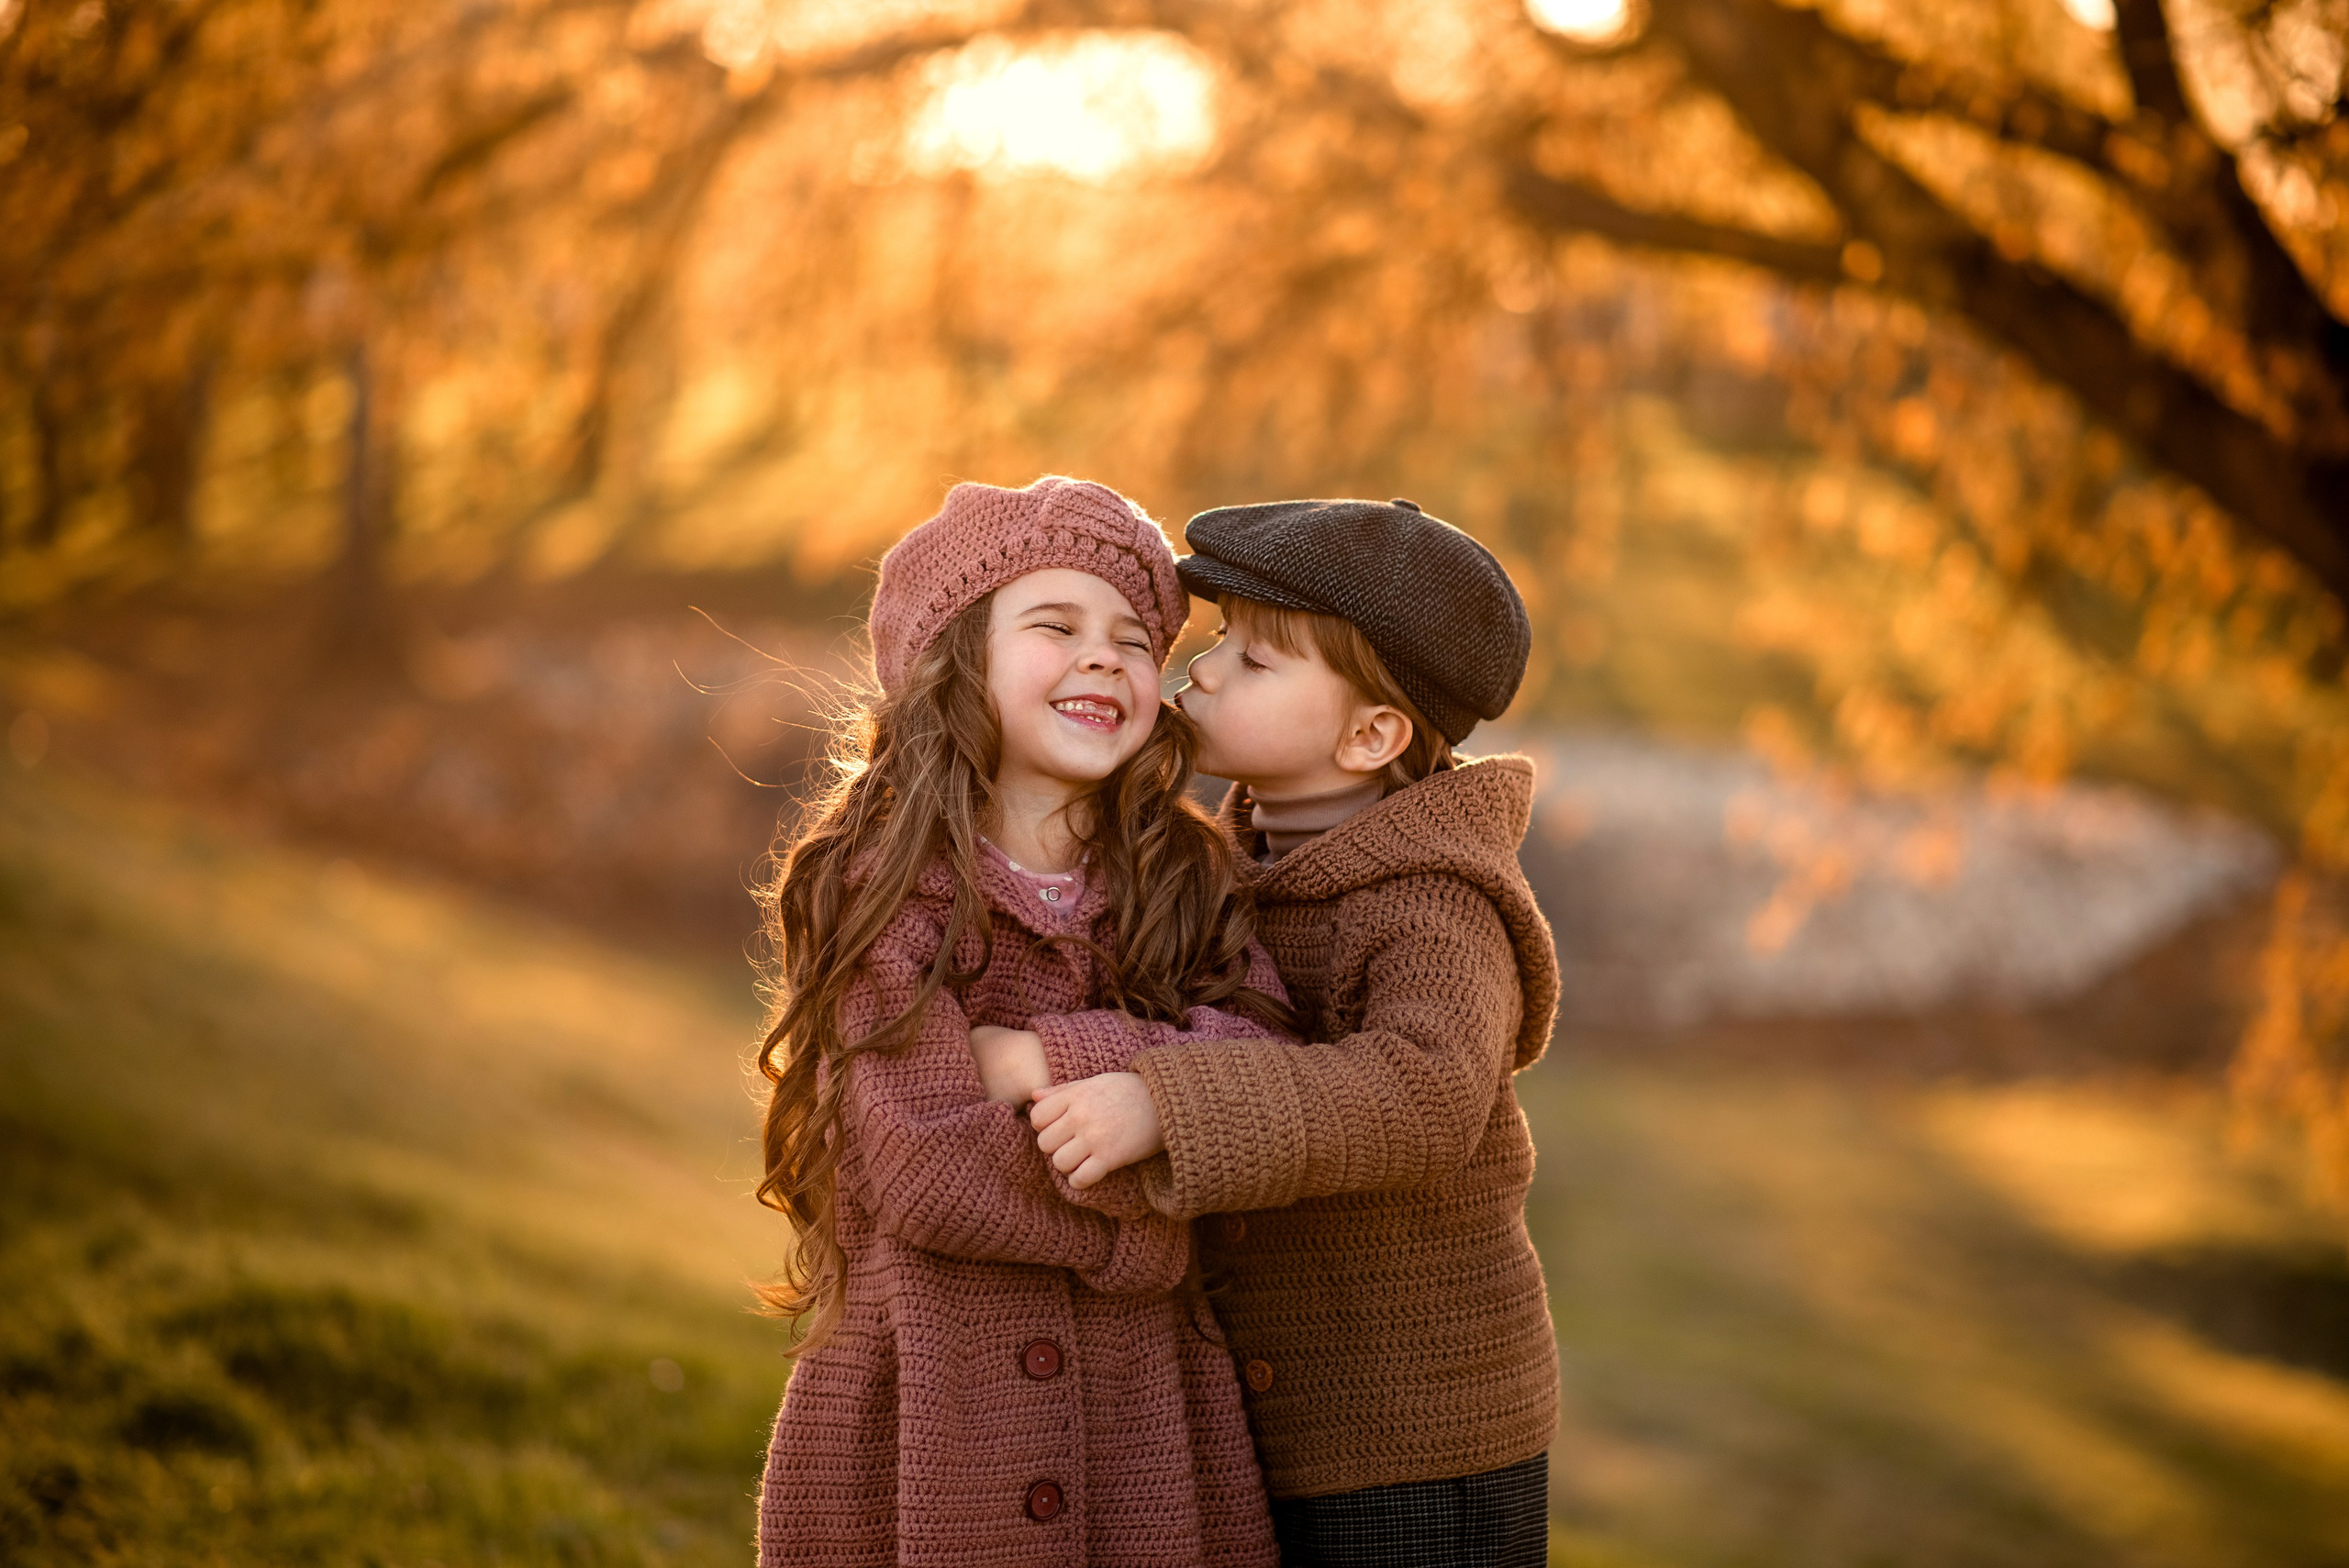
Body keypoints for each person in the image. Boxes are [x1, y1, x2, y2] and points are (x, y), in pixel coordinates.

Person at [985, 496, 1562, 1567]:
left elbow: (1420, 1095)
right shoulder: (1227, 865)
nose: (1200, 671)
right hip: (1264, 1418)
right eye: (1215, 640)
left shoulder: (1434, 903)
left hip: (1414, 1438)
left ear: (1370, 733)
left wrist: (1164, 1101)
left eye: (1254, 662)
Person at [750, 476, 1293, 1568]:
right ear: (957, 660)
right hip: (924, 1425)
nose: (1104, 655)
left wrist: (1090, 1075)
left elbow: (1271, 1066)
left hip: (1147, 1424)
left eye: (1135, 638)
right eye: (1056, 626)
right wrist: (1153, 1214)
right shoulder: (881, 883)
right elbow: (923, 1157)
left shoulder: (1187, 876)